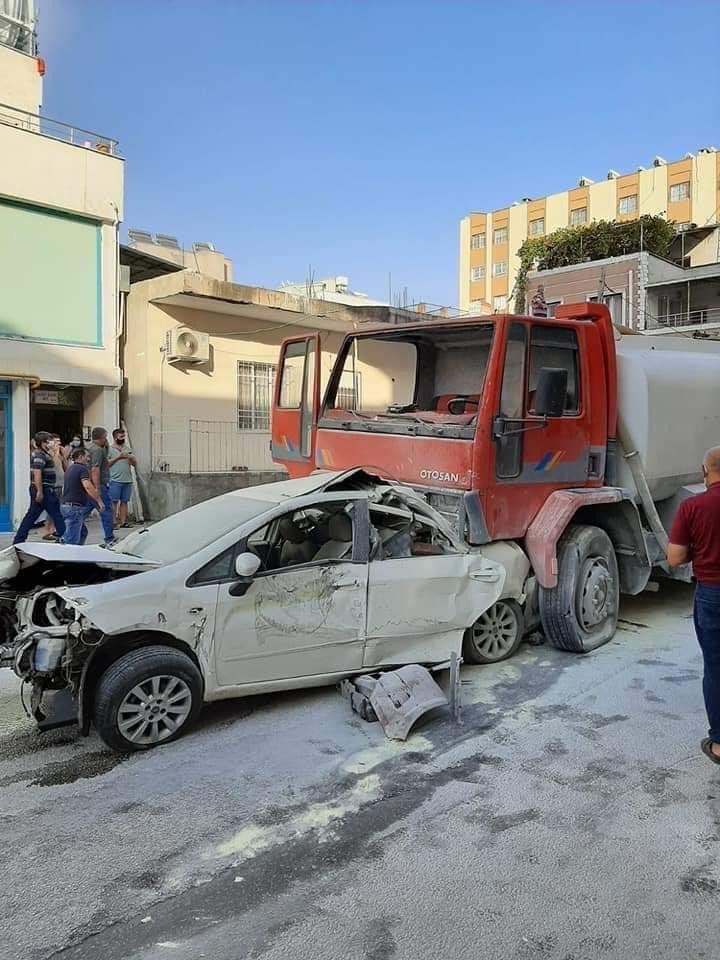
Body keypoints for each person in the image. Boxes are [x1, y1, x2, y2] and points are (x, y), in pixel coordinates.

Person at [667, 446, 720, 765]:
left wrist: (696, 554)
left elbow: (674, 558)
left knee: (716, 667)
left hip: (712, 594)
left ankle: (719, 744)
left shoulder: (692, 507)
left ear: (705, 471)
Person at [13, 431, 66, 544]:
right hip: (44, 490)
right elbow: (37, 472)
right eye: (49, 441)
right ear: (43, 443)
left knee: (32, 515)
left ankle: (19, 540)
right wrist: (40, 491)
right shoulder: (40, 455)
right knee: (56, 513)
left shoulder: (45, 454)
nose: (51, 443)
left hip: (44, 490)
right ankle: (65, 536)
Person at [61, 447, 104, 545]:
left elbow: (64, 488)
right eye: (87, 456)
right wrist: (99, 501)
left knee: (82, 532)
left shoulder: (70, 469)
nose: (89, 459)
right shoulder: (82, 469)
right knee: (72, 539)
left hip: (65, 506)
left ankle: (76, 552)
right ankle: (69, 557)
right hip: (75, 508)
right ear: (80, 457)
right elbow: (88, 486)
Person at [85, 426, 116, 547]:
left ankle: (65, 532)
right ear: (102, 437)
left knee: (84, 510)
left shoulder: (92, 448)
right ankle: (109, 538)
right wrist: (97, 488)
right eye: (105, 437)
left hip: (92, 484)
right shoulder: (97, 450)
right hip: (99, 485)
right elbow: (95, 469)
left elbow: (104, 463)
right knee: (106, 511)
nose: (106, 439)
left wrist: (107, 447)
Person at [108, 427, 136, 528]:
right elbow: (106, 464)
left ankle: (123, 522)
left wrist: (131, 459)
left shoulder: (127, 449)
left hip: (127, 479)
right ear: (115, 437)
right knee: (113, 502)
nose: (123, 438)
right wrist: (119, 457)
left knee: (124, 502)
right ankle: (112, 522)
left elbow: (135, 464)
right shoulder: (109, 449)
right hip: (115, 479)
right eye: (121, 436)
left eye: (124, 436)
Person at [43, 435, 68, 541]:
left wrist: (64, 456)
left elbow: (66, 467)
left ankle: (56, 530)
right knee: (51, 509)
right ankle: (48, 531)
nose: (58, 444)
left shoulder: (60, 454)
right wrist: (56, 452)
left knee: (59, 509)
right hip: (53, 485)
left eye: (59, 442)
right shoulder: (49, 454)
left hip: (61, 484)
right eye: (56, 442)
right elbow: (51, 463)